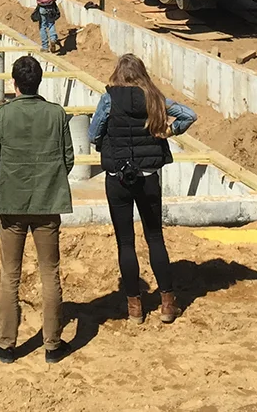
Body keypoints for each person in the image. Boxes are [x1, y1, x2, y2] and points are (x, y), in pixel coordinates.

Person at [88, 54, 197, 324]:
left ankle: (135, 308)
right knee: (155, 237)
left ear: (118, 74)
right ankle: (168, 304)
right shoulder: (153, 97)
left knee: (125, 242)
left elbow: (92, 135)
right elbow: (189, 115)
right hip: (148, 176)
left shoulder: (109, 99)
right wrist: (170, 132)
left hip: (118, 176)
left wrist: (108, 141)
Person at [0, 54, 73, 364]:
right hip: (48, 203)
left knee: (10, 274)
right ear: (39, 81)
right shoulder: (56, 114)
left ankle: (7, 343)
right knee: (50, 272)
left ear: (14, 83)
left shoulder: (2, 115)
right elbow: (69, 159)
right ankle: (52, 344)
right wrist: (51, 184)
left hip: (12, 203)